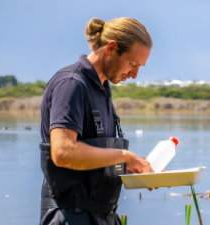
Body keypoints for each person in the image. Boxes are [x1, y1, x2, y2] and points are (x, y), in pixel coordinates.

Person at [39, 17, 154, 225]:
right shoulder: (71, 84)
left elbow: (95, 165)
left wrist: (135, 169)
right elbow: (63, 153)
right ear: (111, 48)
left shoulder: (102, 89)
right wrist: (124, 155)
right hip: (70, 217)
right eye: (132, 64)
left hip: (102, 217)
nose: (135, 74)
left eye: (140, 67)